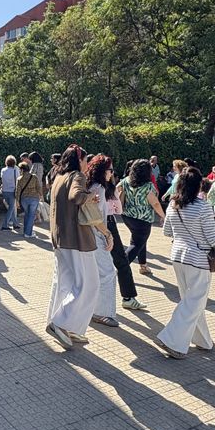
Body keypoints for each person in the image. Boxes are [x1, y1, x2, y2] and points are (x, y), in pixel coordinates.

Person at [156, 167, 215, 359]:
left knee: (191, 300)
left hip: (177, 255)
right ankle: (171, 339)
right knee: (194, 303)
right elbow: (212, 238)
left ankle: (204, 341)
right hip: (198, 258)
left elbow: (167, 232)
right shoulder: (203, 207)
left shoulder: (172, 205)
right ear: (198, 186)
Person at [45, 145, 107, 350]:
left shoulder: (58, 176)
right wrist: (89, 197)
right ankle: (61, 324)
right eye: (85, 160)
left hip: (60, 237)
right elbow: (76, 196)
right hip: (77, 239)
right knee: (89, 284)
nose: (87, 164)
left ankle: (67, 326)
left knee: (65, 284)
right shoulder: (77, 176)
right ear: (79, 161)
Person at [87, 155, 124, 327]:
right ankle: (102, 312)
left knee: (94, 274)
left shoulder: (91, 186)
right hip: (97, 235)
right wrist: (108, 234)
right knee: (108, 273)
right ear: (103, 171)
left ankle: (92, 309)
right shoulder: (99, 189)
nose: (112, 173)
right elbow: (95, 217)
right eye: (110, 170)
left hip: (89, 235)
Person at [104, 164, 147, 311]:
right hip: (108, 223)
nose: (112, 173)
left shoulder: (88, 185)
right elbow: (119, 209)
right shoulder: (108, 188)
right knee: (121, 261)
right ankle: (128, 297)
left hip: (91, 226)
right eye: (110, 170)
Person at [116, 158, 165, 278]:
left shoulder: (126, 181)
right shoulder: (148, 186)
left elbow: (115, 190)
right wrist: (163, 216)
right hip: (143, 220)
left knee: (140, 240)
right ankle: (119, 268)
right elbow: (155, 203)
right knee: (136, 244)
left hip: (127, 216)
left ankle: (143, 266)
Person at [16, 161, 43, 238]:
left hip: (24, 199)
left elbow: (17, 191)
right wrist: (41, 196)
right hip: (34, 198)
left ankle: (26, 231)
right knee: (31, 216)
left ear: (22, 170)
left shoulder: (19, 179)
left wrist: (17, 201)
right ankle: (28, 233)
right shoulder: (34, 177)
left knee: (27, 214)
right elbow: (38, 187)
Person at [0, 155, 20, 231]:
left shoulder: (3, 170)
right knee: (11, 208)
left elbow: (2, 179)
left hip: (4, 190)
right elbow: (18, 179)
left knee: (11, 208)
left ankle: (15, 224)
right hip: (12, 191)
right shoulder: (15, 170)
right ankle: (4, 225)